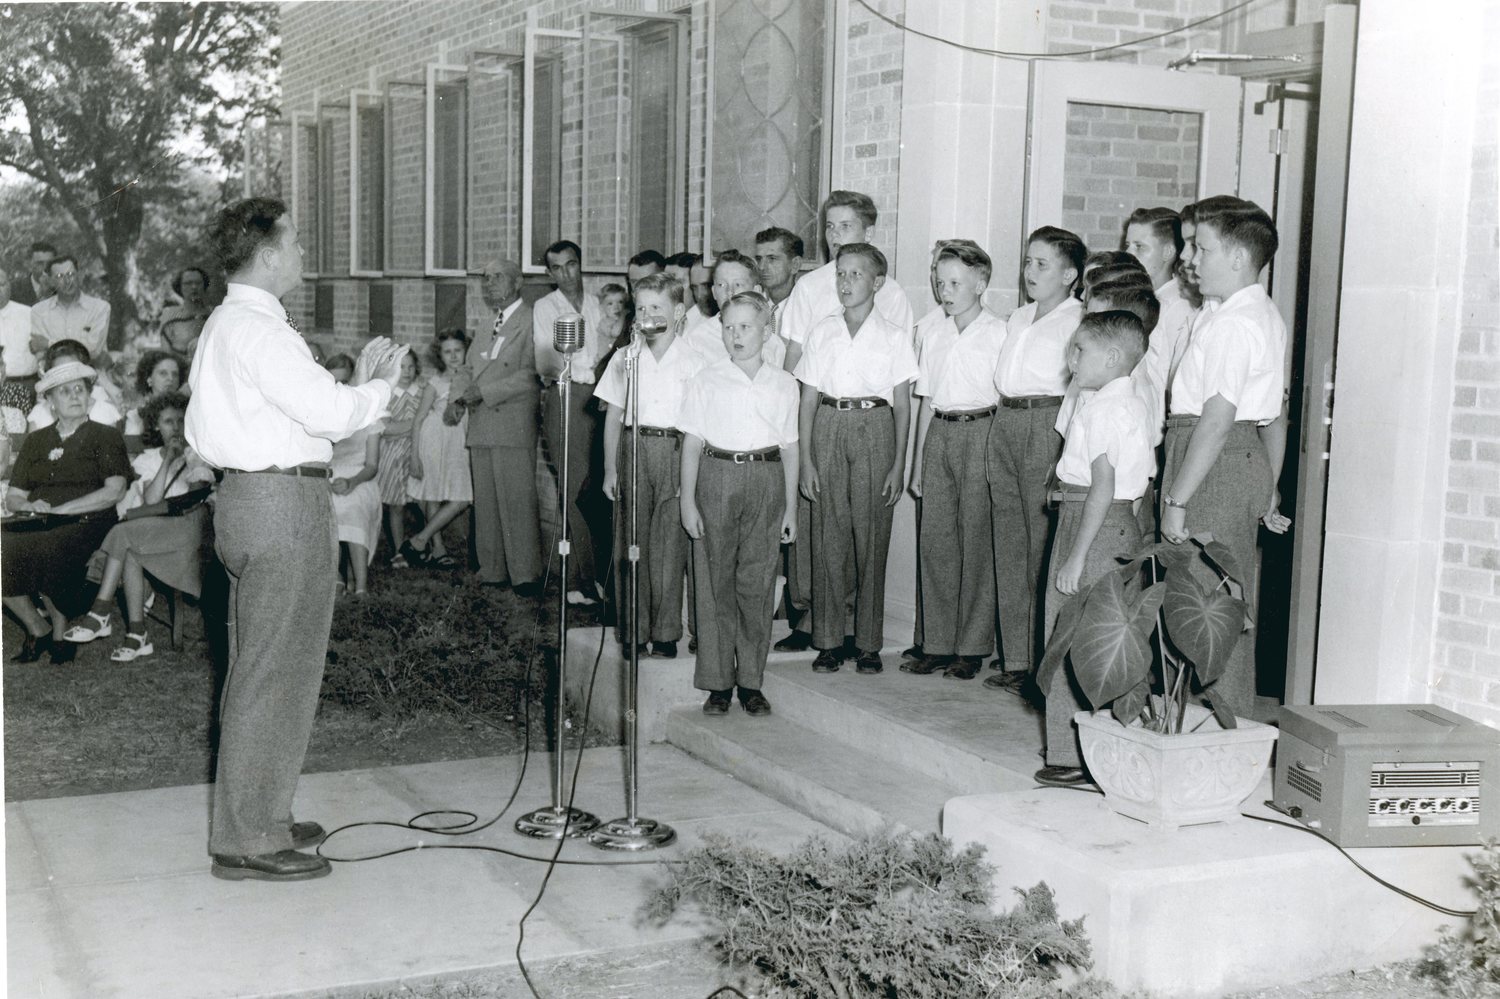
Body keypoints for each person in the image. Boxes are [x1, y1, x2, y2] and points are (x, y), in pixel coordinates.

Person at [186, 195, 406, 882]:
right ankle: (250, 836)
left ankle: (262, 812)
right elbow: (331, 412)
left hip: (249, 499)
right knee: (276, 669)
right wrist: (381, 386)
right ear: (269, 252)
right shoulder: (262, 332)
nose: (304, 253)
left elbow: (202, 431)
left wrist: (358, 392)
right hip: (282, 504)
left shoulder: (225, 324)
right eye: (297, 241)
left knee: (261, 664)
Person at [1160, 196, 1291, 722]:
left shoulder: (1238, 323)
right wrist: (1267, 484)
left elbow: (1217, 419)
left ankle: (1223, 728)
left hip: (1209, 459)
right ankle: (1203, 722)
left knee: (1212, 603)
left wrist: (1176, 499)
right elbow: (1274, 414)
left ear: (1238, 258)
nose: (1191, 257)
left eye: (1202, 247)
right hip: (1226, 457)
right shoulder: (1237, 313)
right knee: (1210, 596)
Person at [1036, 310, 1154, 787]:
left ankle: (1074, 756)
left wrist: (1078, 555)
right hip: (1105, 521)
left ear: (1111, 357)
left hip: (1093, 523)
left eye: (1080, 350)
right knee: (1093, 635)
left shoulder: (1106, 407)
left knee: (1071, 635)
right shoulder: (1120, 402)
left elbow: (1104, 486)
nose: (1072, 359)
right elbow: (1136, 486)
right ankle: (1089, 750)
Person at [794, 243, 917, 675]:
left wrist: (899, 464)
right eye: (841, 274)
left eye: (856, 275)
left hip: (875, 427)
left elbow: (903, 405)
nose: (845, 283)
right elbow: (807, 399)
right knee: (829, 535)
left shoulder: (894, 335)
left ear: (877, 282)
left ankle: (867, 642)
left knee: (871, 538)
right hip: (829, 422)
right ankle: (827, 640)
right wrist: (807, 460)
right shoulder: (822, 331)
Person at [679, 291, 799, 716]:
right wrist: (688, 503)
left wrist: (790, 509)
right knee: (714, 585)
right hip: (717, 477)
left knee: (757, 582)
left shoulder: (784, 384)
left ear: (766, 332)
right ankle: (717, 683)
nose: (736, 335)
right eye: (729, 328)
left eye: (746, 327)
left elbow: (790, 449)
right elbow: (691, 444)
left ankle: (750, 680)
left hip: (766, 479)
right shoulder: (706, 379)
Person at [984, 226, 1087, 693]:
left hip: (1047, 424)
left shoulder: (1078, 321)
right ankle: (1015, 658)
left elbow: (1078, 392)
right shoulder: (1019, 317)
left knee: (1040, 547)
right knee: (1008, 542)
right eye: (1028, 262)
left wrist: (1061, 450)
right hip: (1006, 419)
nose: (1030, 272)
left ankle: (1041, 665)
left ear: (1070, 274)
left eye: (1041, 265)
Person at [904, 241, 1006, 679]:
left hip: (983, 431)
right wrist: (916, 463)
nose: (945, 292)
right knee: (937, 542)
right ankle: (937, 642)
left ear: (981, 284)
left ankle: (972, 646)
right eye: (940, 282)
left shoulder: (1001, 332)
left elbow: (1005, 399)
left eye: (956, 283)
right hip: (941, 433)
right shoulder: (933, 331)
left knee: (976, 542)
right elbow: (926, 400)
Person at [60, 390, 215, 662]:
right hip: (154, 533)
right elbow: (152, 499)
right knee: (129, 547)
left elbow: (196, 497)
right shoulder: (148, 459)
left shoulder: (200, 454)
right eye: (169, 422)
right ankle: (137, 633)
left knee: (123, 533)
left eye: (181, 421)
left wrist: (191, 459)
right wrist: (167, 461)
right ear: (157, 425)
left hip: (189, 535)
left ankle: (100, 613)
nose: (176, 428)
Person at [596, 272, 705, 658]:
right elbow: (613, 415)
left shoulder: (695, 360)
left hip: (675, 451)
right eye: (640, 308)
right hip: (633, 448)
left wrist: (690, 480)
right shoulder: (626, 358)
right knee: (631, 542)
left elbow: (700, 424)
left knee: (667, 548)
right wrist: (610, 468)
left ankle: (664, 632)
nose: (647, 314)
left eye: (656, 307)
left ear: (677, 312)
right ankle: (633, 632)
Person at [2, 360, 130, 664]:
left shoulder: (104, 436)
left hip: (90, 520)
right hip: (41, 518)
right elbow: (14, 497)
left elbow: (115, 491)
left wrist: (61, 510)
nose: (74, 396)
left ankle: (60, 633)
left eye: (80, 390)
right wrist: (29, 506)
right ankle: (38, 626)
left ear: (90, 397)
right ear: (50, 402)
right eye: (64, 392)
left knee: (49, 545)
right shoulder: (36, 441)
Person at [457, 259, 541, 593]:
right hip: (481, 424)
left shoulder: (531, 320)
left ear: (518, 281)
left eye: (498, 277)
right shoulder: (486, 323)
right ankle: (492, 569)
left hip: (511, 423)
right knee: (488, 501)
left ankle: (525, 574)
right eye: (486, 279)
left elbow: (532, 373)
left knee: (517, 500)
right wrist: (455, 398)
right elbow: (467, 368)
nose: (490, 284)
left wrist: (485, 392)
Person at [532, 239, 603, 607]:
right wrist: (589, 371)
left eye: (571, 265)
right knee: (573, 487)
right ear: (549, 273)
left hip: (602, 395)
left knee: (597, 485)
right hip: (568, 396)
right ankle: (579, 578)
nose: (565, 274)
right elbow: (547, 361)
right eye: (556, 268)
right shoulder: (546, 307)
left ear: (580, 264)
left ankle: (594, 575)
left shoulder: (598, 301)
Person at [780, 191, 913, 375]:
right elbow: (794, 351)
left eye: (845, 226)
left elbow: (900, 364)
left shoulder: (892, 293)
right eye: (830, 226)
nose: (834, 234)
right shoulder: (809, 286)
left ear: (868, 233)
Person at [404, 330, 473, 569]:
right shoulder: (435, 383)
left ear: (466, 351)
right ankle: (438, 548)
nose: (453, 356)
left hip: (458, 443)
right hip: (433, 440)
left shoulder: (473, 379)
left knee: (462, 498)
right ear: (439, 356)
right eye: (447, 352)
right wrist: (414, 456)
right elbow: (418, 420)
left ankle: (419, 539)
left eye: (458, 350)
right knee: (432, 492)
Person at [323, 354, 383, 596]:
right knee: (324, 508)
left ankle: (360, 585)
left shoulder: (369, 415)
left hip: (360, 479)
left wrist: (351, 482)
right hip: (326, 479)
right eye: (334, 382)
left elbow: (372, 465)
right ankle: (335, 575)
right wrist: (327, 482)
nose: (340, 388)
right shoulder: (320, 415)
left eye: (345, 382)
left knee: (354, 508)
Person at [1124, 207, 1197, 397]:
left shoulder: (1179, 305)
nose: (1129, 254)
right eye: (1128, 245)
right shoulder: (1135, 298)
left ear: (1168, 252)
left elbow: (1171, 380)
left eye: (1139, 246)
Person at [377, 350, 420, 567]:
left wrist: (404, 429)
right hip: (391, 456)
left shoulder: (420, 392)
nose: (406, 372)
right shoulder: (387, 394)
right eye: (401, 367)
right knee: (396, 505)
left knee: (422, 500)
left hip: (417, 452)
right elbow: (386, 429)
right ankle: (397, 550)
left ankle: (426, 545)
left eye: (411, 367)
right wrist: (417, 425)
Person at [28, 340, 123, 431]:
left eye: (74, 370)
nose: (68, 376)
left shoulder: (104, 412)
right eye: (60, 372)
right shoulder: (40, 413)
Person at [30, 255, 111, 359]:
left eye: (71, 274)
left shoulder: (100, 308)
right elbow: (40, 353)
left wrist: (49, 343)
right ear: (51, 281)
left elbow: (94, 350)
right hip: (55, 373)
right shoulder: (39, 311)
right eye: (59, 276)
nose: (67, 281)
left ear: (79, 275)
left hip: (90, 373)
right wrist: (80, 345)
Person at [124, 349, 185, 437]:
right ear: (149, 379)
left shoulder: (185, 411)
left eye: (175, 374)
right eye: (163, 373)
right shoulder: (137, 416)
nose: (171, 378)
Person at [0, 271, 37, 412]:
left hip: (25, 385)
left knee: (22, 432)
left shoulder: (28, 313)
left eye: (1, 284)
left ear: (9, 286)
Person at [159, 266, 213, 357]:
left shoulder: (214, 315)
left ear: (204, 285)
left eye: (198, 283)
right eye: (188, 283)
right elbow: (166, 356)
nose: (194, 287)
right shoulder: (170, 316)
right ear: (180, 287)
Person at [12, 240, 56, 307]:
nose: (45, 268)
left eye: (50, 263)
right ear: (29, 264)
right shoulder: (14, 289)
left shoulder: (62, 288)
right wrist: (43, 296)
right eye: (40, 263)